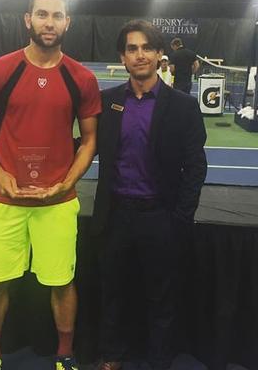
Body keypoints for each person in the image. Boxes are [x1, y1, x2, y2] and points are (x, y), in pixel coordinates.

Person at [0, 0, 101, 370]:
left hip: (57, 203)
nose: (49, 22)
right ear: (28, 19)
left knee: (61, 283)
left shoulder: (81, 79)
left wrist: (68, 183)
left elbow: (90, 140)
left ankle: (65, 354)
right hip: (6, 200)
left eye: (57, 15)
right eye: (42, 14)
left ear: (67, 22)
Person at [92, 20, 207, 370]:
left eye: (146, 48)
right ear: (122, 58)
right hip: (115, 215)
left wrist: (180, 218)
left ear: (160, 55)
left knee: (161, 296)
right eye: (131, 49)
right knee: (113, 291)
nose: (139, 55)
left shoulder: (183, 107)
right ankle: (111, 355)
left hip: (160, 218)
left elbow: (195, 167)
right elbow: (84, 147)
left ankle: (159, 359)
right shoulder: (107, 102)